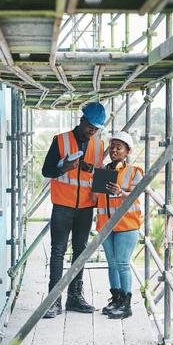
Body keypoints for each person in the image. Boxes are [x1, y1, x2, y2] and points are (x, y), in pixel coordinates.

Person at [41, 102, 106, 318]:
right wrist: (63, 167)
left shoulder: (99, 145)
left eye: (96, 129)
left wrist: (101, 199)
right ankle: (53, 301)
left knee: (81, 252)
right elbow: (46, 171)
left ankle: (75, 297)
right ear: (82, 120)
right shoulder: (60, 140)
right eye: (90, 126)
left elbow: (100, 175)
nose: (92, 131)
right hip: (62, 205)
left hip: (86, 208)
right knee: (58, 252)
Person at [96, 131, 143, 320]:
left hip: (127, 225)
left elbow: (138, 193)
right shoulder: (103, 170)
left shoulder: (134, 171)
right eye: (113, 147)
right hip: (106, 225)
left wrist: (122, 193)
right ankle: (115, 299)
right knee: (112, 264)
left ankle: (126, 305)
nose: (114, 150)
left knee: (122, 264)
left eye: (119, 147)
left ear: (127, 151)